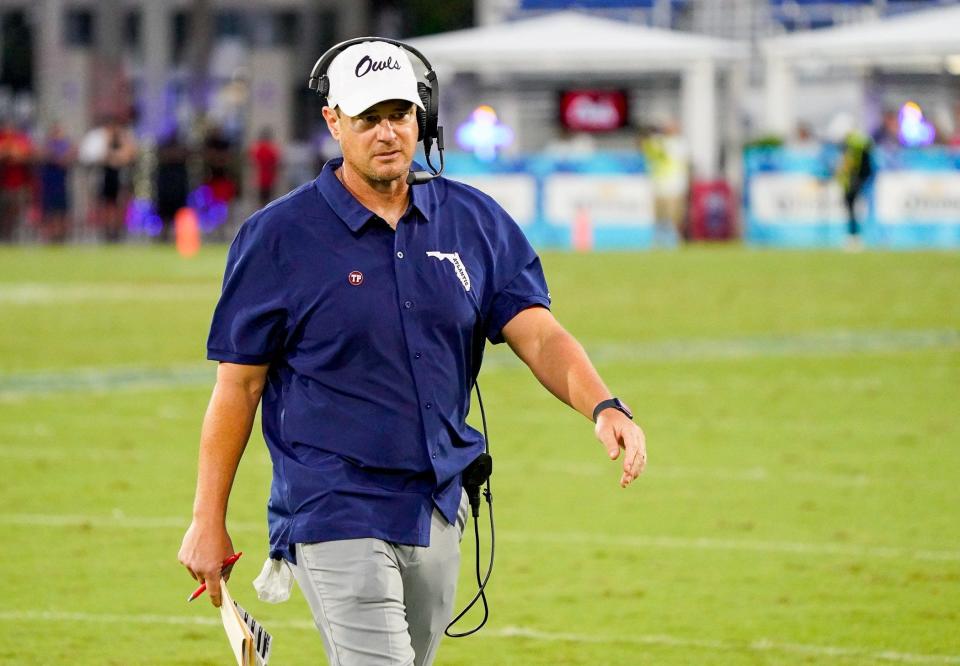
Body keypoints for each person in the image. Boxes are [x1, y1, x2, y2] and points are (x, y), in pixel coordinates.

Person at [178, 37, 647, 666]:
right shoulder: (277, 238)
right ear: (333, 121)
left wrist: (604, 405)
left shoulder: (472, 220)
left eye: (398, 114)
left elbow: (537, 332)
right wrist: (207, 518)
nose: (386, 132)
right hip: (331, 501)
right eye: (367, 117)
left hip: (436, 501)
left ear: (421, 118)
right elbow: (239, 386)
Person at [38, 122, 76, 243]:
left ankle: (61, 235)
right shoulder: (47, 145)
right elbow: (42, 155)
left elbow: (69, 158)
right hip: (49, 183)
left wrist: (58, 157)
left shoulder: (65, 145)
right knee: (49, 210)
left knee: (61, 210)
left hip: (61, 183)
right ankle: (50, 235)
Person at [0, 117, 34, 242]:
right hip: (3, 183)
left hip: (19, 183)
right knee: (5, 210)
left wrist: (12, 154)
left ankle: (14, 235)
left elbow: (25, 154)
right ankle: (5, 234)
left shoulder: (21, 139)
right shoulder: (2, 138)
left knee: (17, 210)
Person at [249, 126, 282, 208]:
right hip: (270, 176)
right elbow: (277, 163)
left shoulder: (258, 149)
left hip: (260, 177)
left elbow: (253, 162)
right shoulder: (272, 149)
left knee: (262, 198)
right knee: (269, 197)